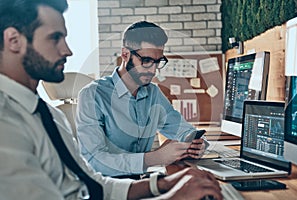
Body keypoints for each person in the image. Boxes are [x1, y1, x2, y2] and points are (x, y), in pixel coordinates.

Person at [0, 0, 223, 199]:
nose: (68, 51)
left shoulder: (49, 115)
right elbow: (96, 164)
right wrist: (167, 180)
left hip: (132, 183)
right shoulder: (7, 121)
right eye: (55, 38)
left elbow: (93, 186)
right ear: (13, 40)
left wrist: (163, 183)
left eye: (157, 61)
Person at [76, 20, 208, 177]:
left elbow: (184, 130)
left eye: (158, 62)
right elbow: (93, 161)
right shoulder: (92, 95)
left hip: (142, 182)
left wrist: (198, 145)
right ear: (125, 54)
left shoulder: (153, 93)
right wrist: (154, 158)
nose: (153, 70)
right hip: (107, 189)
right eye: (146, 61)